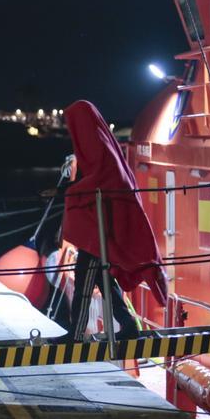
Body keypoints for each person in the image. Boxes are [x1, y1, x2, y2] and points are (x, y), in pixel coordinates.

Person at [57, 100, 167, 342]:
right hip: (100, 226)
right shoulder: (103, 144)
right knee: (103, 278)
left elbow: (106, 178)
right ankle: (128, 324)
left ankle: (76, 335)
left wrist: (72, 191)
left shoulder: (98, 147)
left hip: (101, 229)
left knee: (85, 274)